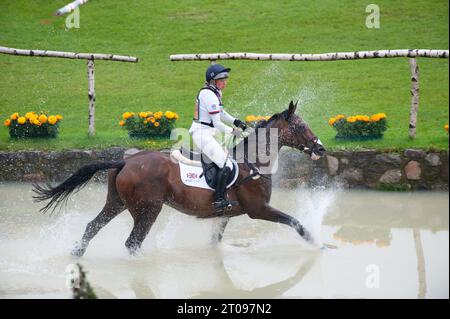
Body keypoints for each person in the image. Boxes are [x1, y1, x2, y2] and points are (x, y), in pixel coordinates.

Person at [189, 64, 247, 214]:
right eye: (222, 79)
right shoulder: (208, 95)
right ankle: (219, 200)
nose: (225, 82)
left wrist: (236, 121)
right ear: (213, 80)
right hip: (202, 133)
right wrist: (233, 131)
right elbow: (217, 123)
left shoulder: (215, 92)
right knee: (226, 164)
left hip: (209, 133)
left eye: (226, 78)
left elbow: (220, 112)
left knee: (226, 160)